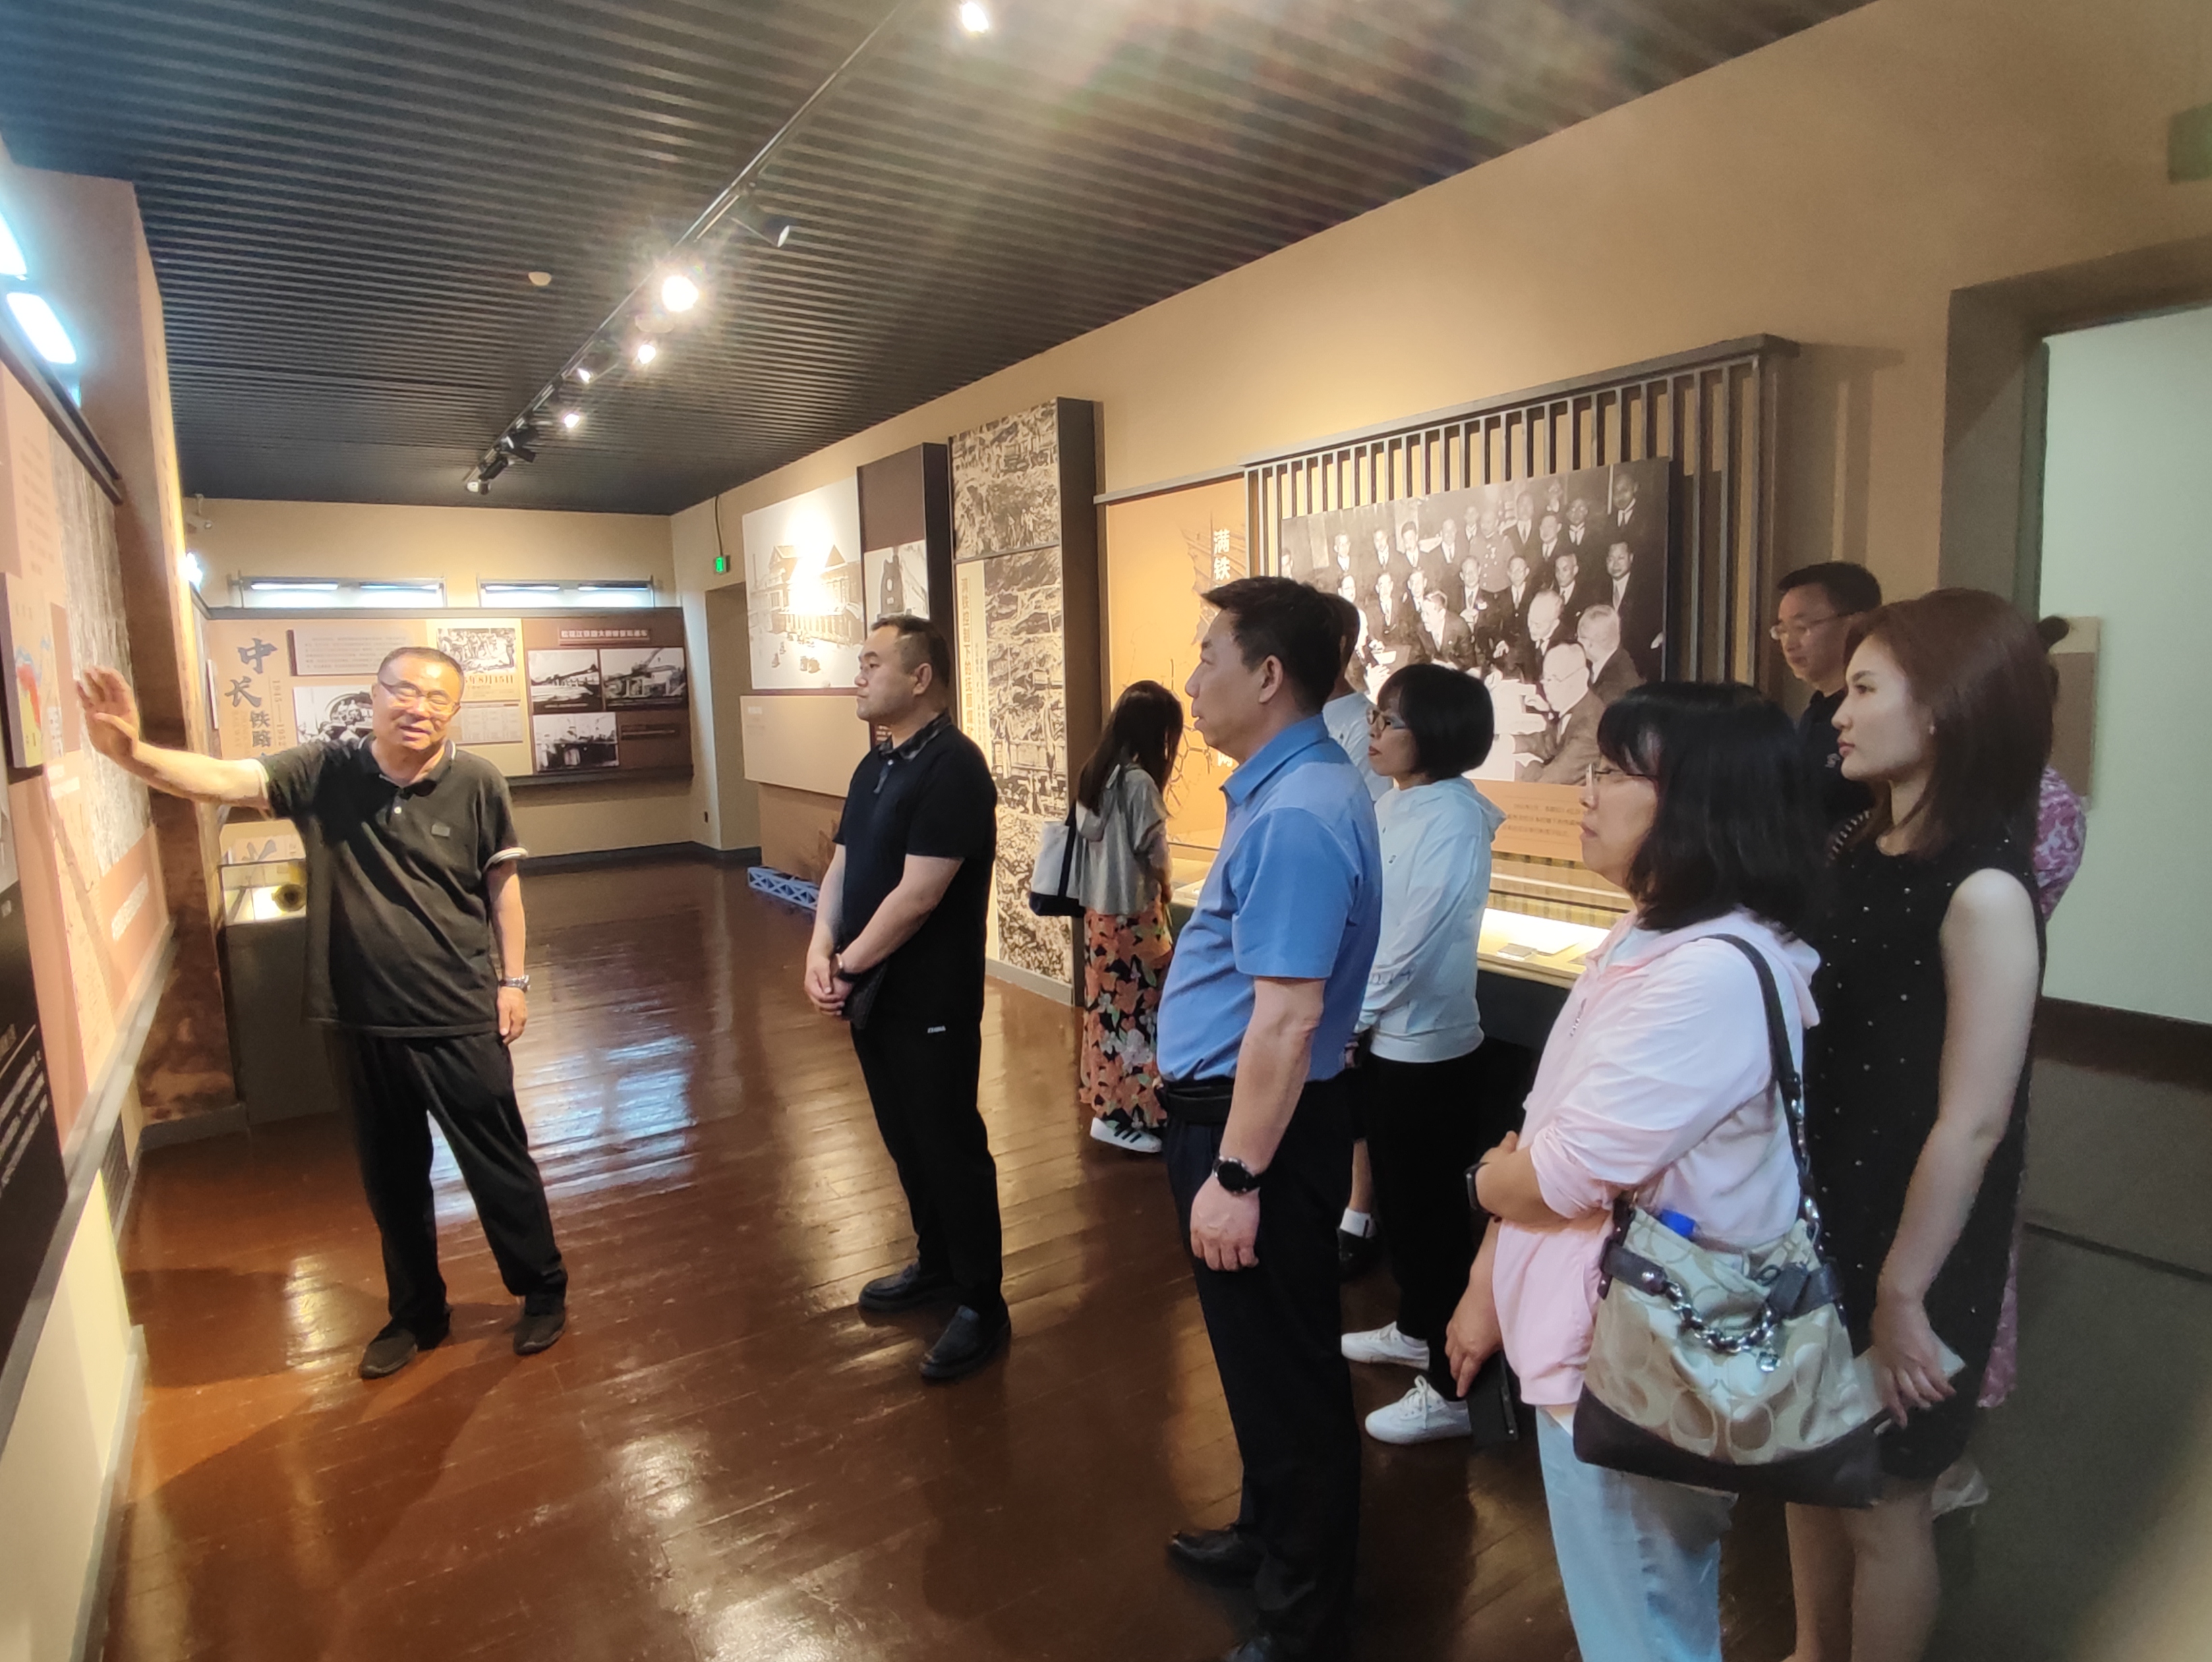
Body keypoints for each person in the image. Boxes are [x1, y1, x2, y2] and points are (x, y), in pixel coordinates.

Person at [1444, 682, 1824, 1662]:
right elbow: (1547, 1121)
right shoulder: (1651, 933)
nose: (1586, 789)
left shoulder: (1708, 972)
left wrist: (1481, 1182)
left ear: (1701, 803)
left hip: (1632, 1355)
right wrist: (1489, 1280)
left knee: (1640, 1623)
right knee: (1637, 1606)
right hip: (1596, 1337)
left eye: (1616, 773)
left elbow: (1558, 1174)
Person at [78, 650, 566, 1379]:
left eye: (438, 698)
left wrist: (514, 981)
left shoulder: (477, 781)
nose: (420, 707)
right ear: (374, 695)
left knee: (497, 1162)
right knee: (390, 1180)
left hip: (459, 1010)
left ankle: (542, 1289)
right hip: (358, 1018)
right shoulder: (324, 771)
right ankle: (417, 1313)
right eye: (405, 690)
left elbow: (503, 887)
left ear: (454, 711)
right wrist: (131, 754)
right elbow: (228, 779)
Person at [1788, 590, 2049, 1662]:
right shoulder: (1859, 841)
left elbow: (1975, 1121)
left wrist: (1902, 1290)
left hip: (1914, 1234)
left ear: (1941, 707)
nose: (1840, 713)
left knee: (1884, 1504)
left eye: (1864, 689)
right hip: (1826, 1207)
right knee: (1806, 1468)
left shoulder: (1984, 889)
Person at [1156, 577, 1381, 1662]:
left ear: (1270, 676)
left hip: (1258, 1134)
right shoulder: (1288, 788)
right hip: (1243, 1118)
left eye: (1210, 658)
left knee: (1286, 1371)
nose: (1192, 681)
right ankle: (1268, 1534)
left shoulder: (1297, 812)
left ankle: (1304, 1617)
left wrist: (1237, 1178)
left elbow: (1287, 1021)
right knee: (1260, 1359)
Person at [804, 616, 1008, 1383]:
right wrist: (820, 947)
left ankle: (982, 1301)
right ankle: (937, 1262)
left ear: (920, 678)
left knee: (949, 1144)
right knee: (905, 1137)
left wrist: (847, 964)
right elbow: (843, 864)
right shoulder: (876, 763)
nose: (857, 677)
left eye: (872, 663)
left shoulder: (954, 768)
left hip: (930, 998)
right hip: (873, 995)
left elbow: (920, 895)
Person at [1339, 665, 1509, 1445]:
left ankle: (1450, 1388)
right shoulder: (1397, 802)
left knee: (1431, 1216)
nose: (1373, 731)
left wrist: (1353, 1016)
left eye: (1390, 720)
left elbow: (1413, 939)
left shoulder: (1455, 818)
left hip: (1428, 1052)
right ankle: (1416, 1328)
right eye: (1375, 716)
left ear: (1434, 733)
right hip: (1388, 1040)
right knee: (1404, 1207)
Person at [1074, 681, 1184, 1156]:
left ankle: (1107, 1107)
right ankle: (1133, 1114)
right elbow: (1156, 854)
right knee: (1143, 1017)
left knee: (1108, 1016)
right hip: (1136, 920)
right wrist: (1168, 886)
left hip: (1100, 920)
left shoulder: (1096, 773)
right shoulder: (1138, 783)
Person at [1317, 594, 1390, 1280]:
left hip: (1345, 921)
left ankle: (1358, 1206)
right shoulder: (1309, 722)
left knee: (1350, 1070)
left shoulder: (1358, 727)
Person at [1773, 561, 1883, 830]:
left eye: (1802, 627)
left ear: (1856, 624)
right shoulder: (1816, 711)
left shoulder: (1878, 716)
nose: (1789, 644)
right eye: (1783, 630)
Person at [1515, 642, 1602, 785]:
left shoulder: (1591, 725)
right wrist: (1510, 742)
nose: (1547, 688)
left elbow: (1549, 780)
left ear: (1582, 677)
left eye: (1554, 679)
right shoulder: (1576, 706)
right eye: (1545, 679)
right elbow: (1549, 743)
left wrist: (1519, 768)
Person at [1604, 539, 1666, 683]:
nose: (1616, 564)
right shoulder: (1597, 590)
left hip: (1641, 669)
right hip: (1609, 671)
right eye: (1611, 559)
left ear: (1631, 558)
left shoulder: (1648, 589)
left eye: (1621, 558)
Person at [1577, 604, 1643, 705]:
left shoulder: (1614, 687)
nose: (1576, 642)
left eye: (1579, 637)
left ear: (1590, 644)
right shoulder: (1619, 657)